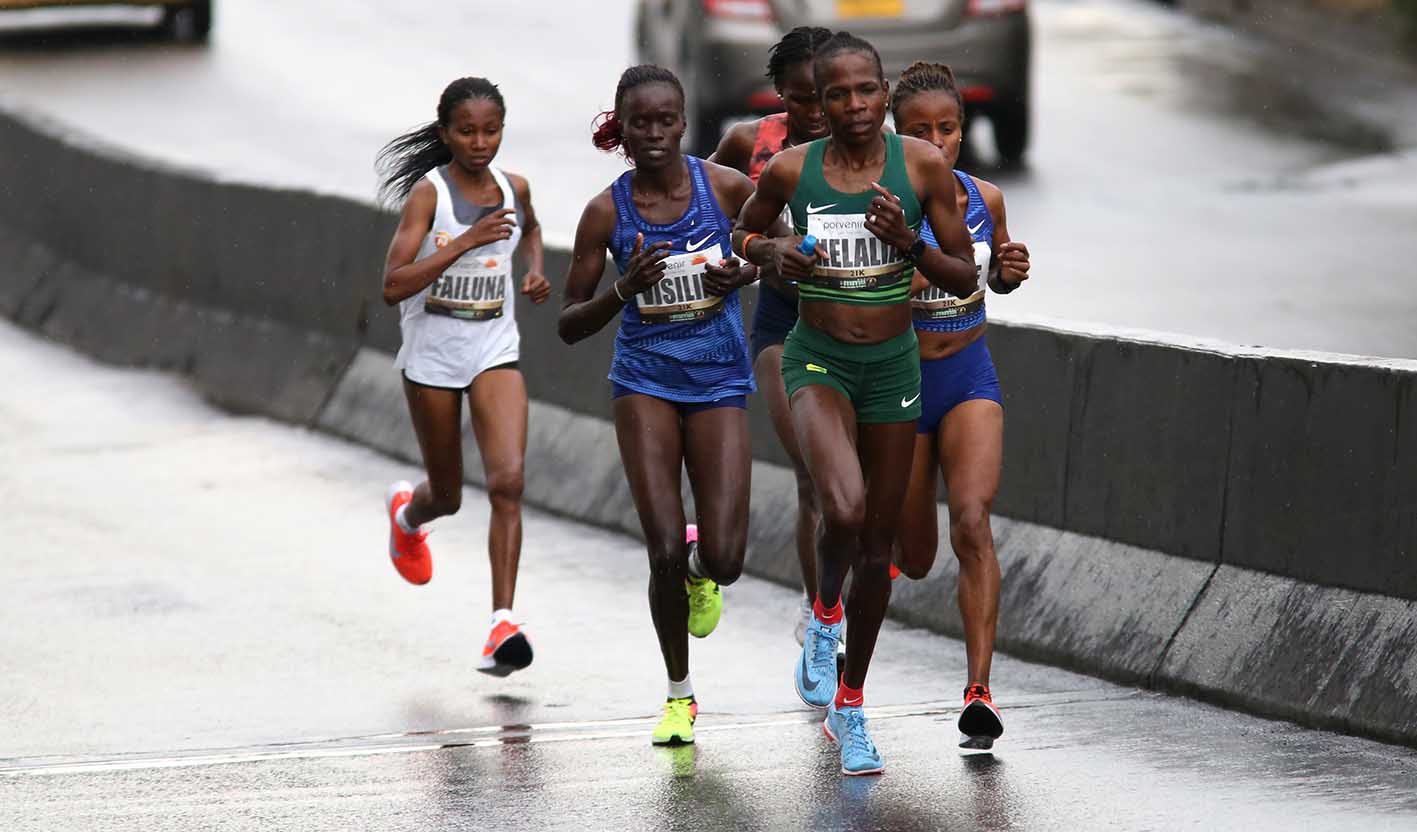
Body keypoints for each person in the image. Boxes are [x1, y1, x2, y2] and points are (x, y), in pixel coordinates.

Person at [733, 33, 979, 775]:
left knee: (879, 546)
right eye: (834, 93)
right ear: (818, 99)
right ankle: (823, 612)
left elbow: (963, 270)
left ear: (883, 91)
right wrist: (770, 252)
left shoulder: (923, 167)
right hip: (816, 359)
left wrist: (908, 244)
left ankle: (850, 703)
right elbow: (743, 230)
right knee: (840, 508)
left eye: (864, 91)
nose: (852, 107)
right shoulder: (789, 169)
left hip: (892, 364)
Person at [558, 65, 759, 747]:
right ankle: (679, 695)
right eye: (638, 122)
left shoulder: (727, 189)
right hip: (644, 380)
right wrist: (623, 289)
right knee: (662, 548)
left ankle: (706, 571)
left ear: (682, 120)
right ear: (620, 127)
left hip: (719, 379)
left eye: (665, 120)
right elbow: (567, 322)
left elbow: (782, 241)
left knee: (725, 557)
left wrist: (748, 268)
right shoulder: (605, 213)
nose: (653, 134)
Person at [375, 77, 551, 677]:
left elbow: (530, 228)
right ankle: (407, 517)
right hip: (432, 359)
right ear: (446, 132)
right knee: (446, 495)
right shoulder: (430, 197)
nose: (481, 143)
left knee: (508, 482)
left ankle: (502, 622)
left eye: (491, 130)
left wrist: (532, 271)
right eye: (468, 131)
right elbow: (392, 284)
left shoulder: (514, 187)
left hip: (494, 350)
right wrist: (466, 242)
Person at [890, 61, 1031, 750]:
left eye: (948, 128)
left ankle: (979, 690)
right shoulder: (880, 207)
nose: (938, 141)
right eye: (921, 131)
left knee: (972, 522)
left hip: (970, 374)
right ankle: (854, 581)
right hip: (902, 386)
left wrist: (1007, 271)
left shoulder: (986, 198)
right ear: (896, 136)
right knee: (914, 558)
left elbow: (995, 277)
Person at [708, 25, 834, 645]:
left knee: (855, 489)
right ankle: (820, 622)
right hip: (781, 326)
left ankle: (838, 597)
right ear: (778, 94)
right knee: (811, 472)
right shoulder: (747, 144)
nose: (813, 111)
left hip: (859, 332)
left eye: (825, 95)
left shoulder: (872, 152)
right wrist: (746, 256)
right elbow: (697, 208)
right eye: (798, 98)